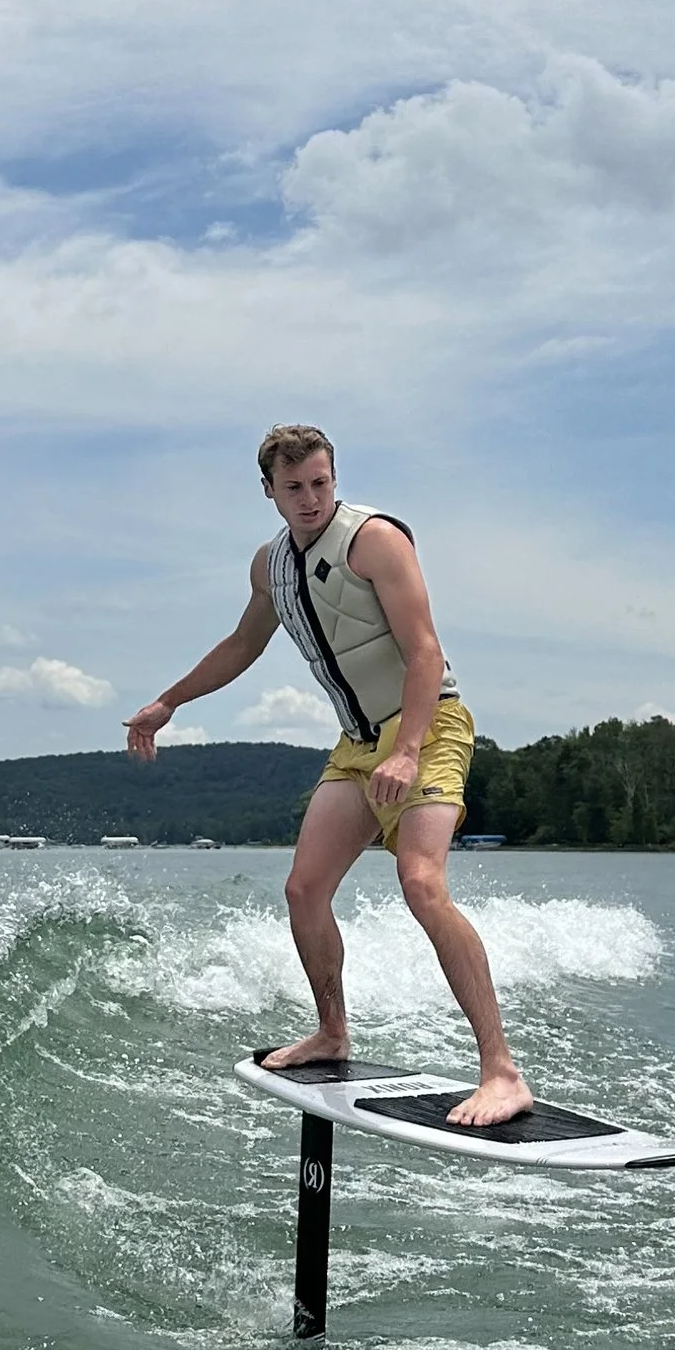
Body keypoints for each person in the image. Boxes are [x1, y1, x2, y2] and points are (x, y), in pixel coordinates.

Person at [125, 425, 533, 1128]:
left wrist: (406, 751)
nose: (311, 498)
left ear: (333, 477)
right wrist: (169, 702)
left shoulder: (374, 539)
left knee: (422, 882)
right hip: (356, 743)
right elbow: (242, 644)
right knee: (303, 888)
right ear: (269, 492)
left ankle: (501, 1069)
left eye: (320, 482)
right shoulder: (271, 566)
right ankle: (333, 1031)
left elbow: (425, 653)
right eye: (294, 487)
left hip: (427, 726)